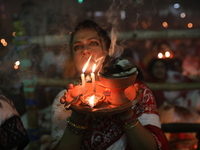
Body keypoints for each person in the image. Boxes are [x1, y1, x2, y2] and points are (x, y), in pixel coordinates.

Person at [51, 20, 171, 150]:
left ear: (106, 51)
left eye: (93, 43)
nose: (85, 50)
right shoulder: (65, 99)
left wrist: (125, 110)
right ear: (73, 58)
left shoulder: (134, 92)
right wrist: (77, 116)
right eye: (78, 46)